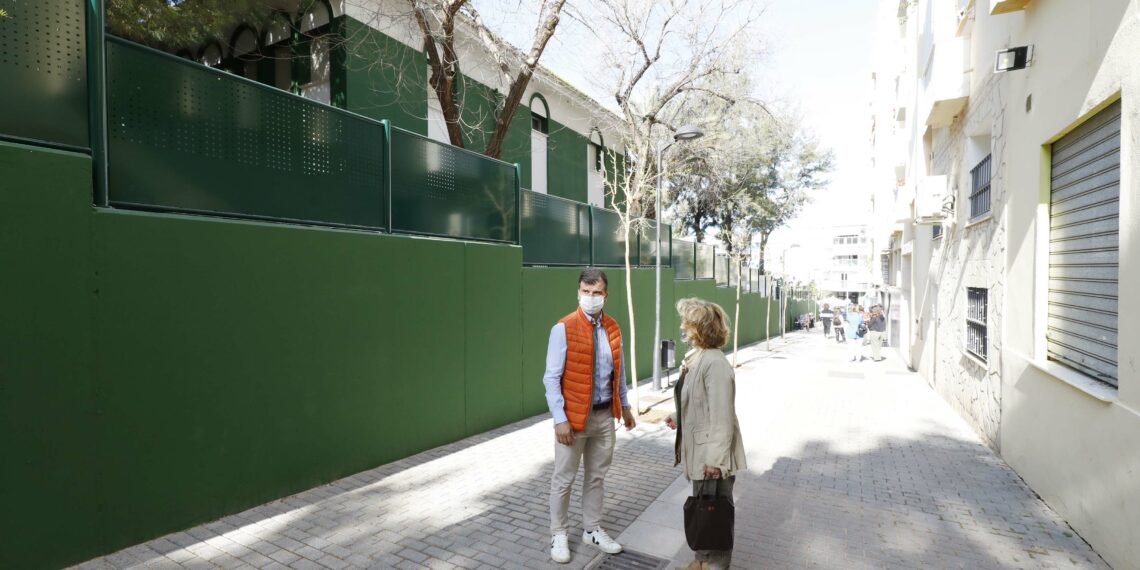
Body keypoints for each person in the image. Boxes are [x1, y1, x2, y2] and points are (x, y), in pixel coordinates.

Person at [543, 268, 637, 564]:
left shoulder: (613, 328)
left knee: (596, 477)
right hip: (572, 420)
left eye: (597, 293)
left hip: (604, 417)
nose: (591, 297)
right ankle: (558, 533)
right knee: (564, 479)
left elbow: (617, 373)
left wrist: (626, 405)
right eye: (586, 291)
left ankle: (592, 529)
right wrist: (559, 418)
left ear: (605, 295)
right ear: (578, 293)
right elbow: (550, 378)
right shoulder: (564, 328)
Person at [665, 298, 747, 570]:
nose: (682, 328)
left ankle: (714, 565)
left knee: (715, 517)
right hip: (703, 454)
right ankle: (702, 561)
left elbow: (722, 417)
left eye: (686, 324)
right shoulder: (699, 357)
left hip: (712, 458)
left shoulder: (714, 363)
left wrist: (715, 460)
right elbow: (700, 402)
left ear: (700, 328)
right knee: (704, 511)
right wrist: (679, 416)